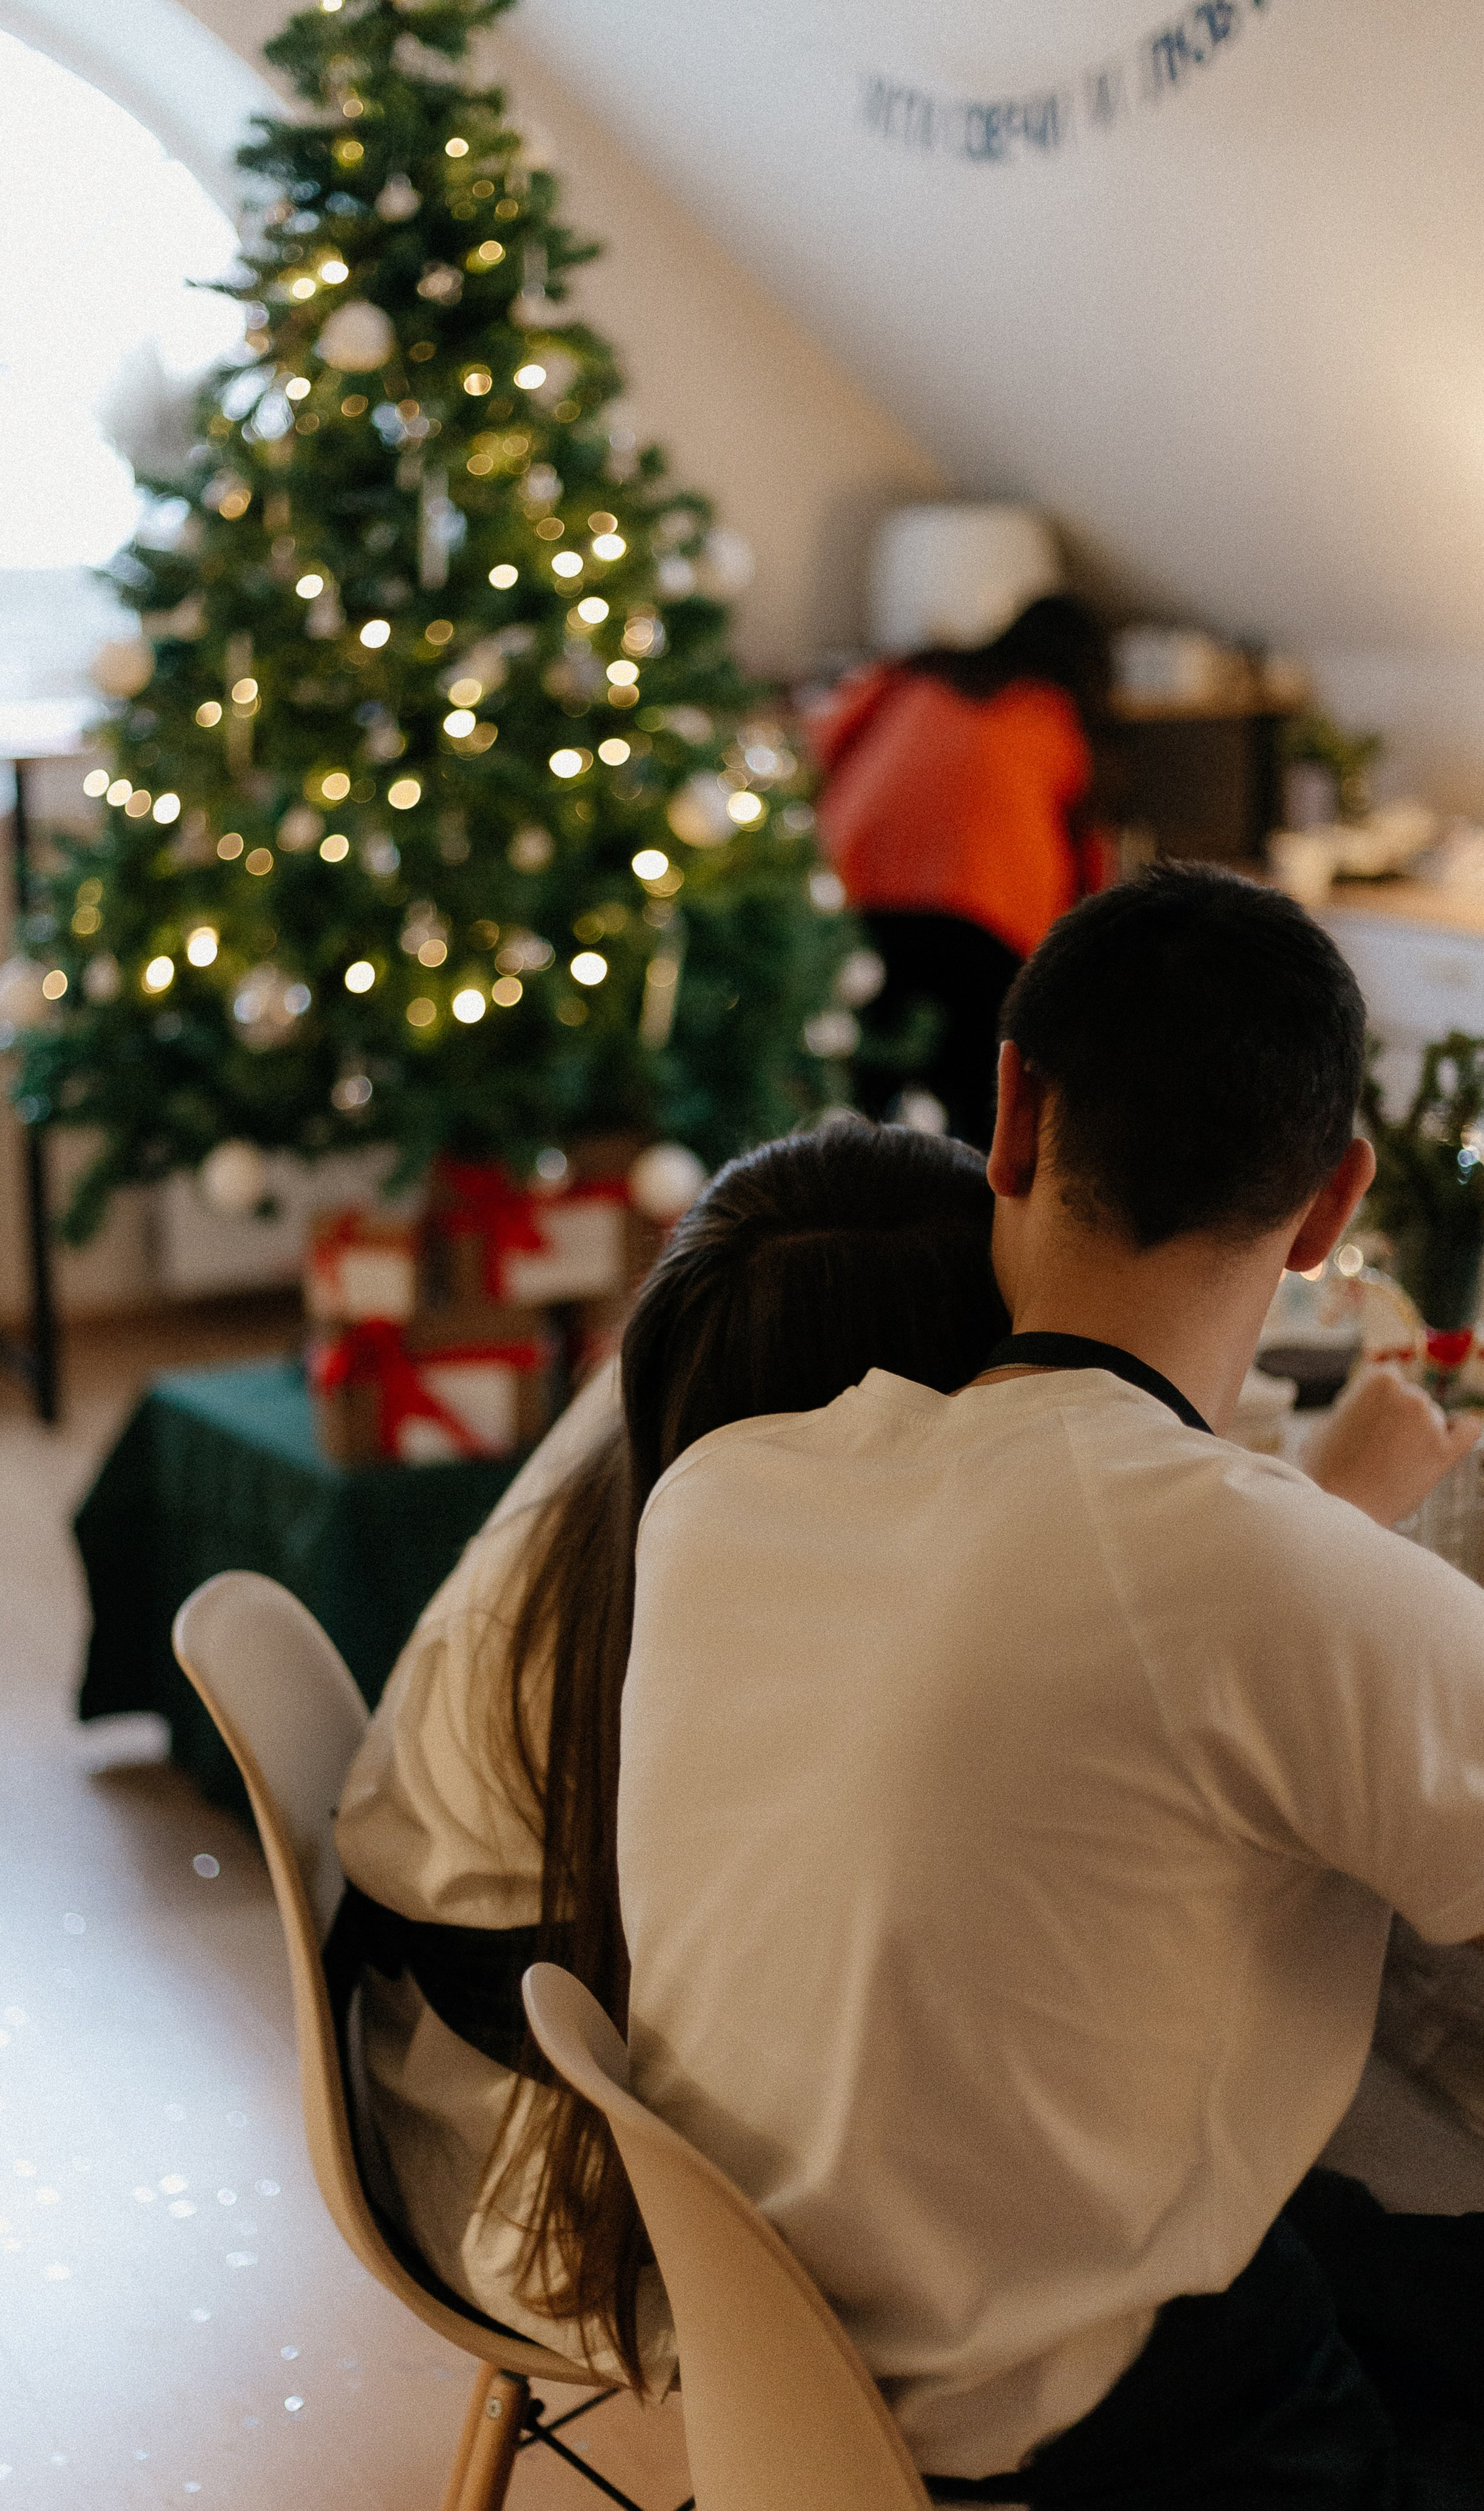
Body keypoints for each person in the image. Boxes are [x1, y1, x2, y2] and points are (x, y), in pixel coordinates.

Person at [330, 1098, 1466, 2400]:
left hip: (499, 2101)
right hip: (619, 2217)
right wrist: (1325, 1525)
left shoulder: (655, 1482)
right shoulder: (733, 1608)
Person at [618, 863, 1484, 2504]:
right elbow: (1194, 1594)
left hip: (789, 2382)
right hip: (1104, 2444)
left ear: (1007, 1113)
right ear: (1327, 1208)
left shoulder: (716, 1494)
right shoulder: (1261, 1577)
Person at [811, 593, 1111, 1147]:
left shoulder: (912, 676)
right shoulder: (1052, 714)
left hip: (858, 893)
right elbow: (1082, 855)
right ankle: (972, 1213)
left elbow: (823, 742)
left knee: (862, 1074)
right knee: (980, 1096)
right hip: (984, 918)